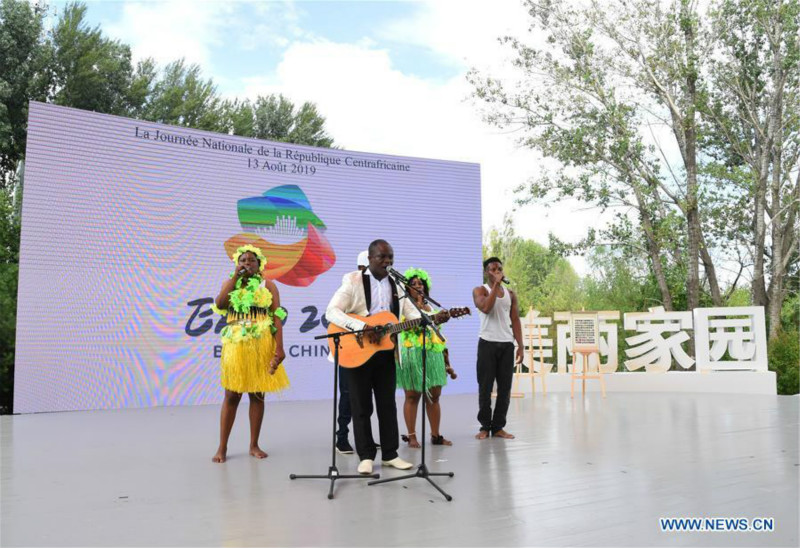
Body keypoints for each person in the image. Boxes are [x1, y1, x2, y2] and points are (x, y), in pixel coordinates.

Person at [326, 239, 446, 474]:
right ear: (370, 259)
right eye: (382, 257)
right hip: (357, 349)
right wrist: (360, 326)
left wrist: (433, 317)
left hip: (386, 352)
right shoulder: (353, 280)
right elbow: (332, 311)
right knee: (361, 406)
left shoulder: (397, 285)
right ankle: (366, 456)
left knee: (387, 405)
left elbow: (411, 314)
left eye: (390, 257)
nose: (387, 261)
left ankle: (390, 454)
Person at [211, 245, 289, 463]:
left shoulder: (268, 286)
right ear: (237, 264)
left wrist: (279, 347)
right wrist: (235, 278)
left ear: (259, 264)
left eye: (251, 260)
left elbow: (276, 317)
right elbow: (220, 304)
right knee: (231, 395)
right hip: (236, 346)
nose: (247, 263)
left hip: (261, 344)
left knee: (257, 395)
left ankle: (254, 444)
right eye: (243, 260)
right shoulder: (229, 284)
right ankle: (222, 446)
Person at [397, 268, 458, 448]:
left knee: (434, 396)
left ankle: (435, 435)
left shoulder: (431, 307)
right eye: (413, 284)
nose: (418, 286)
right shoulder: (403, 306)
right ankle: (412, 437)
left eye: (421, 283)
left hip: (432, 353)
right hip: (412, 353)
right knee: (412, 396)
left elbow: (438, 334)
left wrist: (446, 359)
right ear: (407, 288)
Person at [472, 257, 523, 440]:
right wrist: (495, 285)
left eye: (499, 269)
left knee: (505, 388)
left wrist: (520, 345)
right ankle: (485, 427)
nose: (497, 272)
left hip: (507, 344)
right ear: (486, 272)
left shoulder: (511, 294)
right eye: (493, 269)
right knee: (485, 387)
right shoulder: (480, 290)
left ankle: (499, 427)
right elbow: (486, 307)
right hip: (487, 343)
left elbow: (515, 319)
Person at [334, 250, 370, 455]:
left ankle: (365, 439)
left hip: (371, 350)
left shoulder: (384, 288)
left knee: (368, 396)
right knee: (348, 394)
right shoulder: (350, 284)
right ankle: (342, 437)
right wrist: (358, 326)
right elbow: (334, 313)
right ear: (361, 268)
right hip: (349, 348)